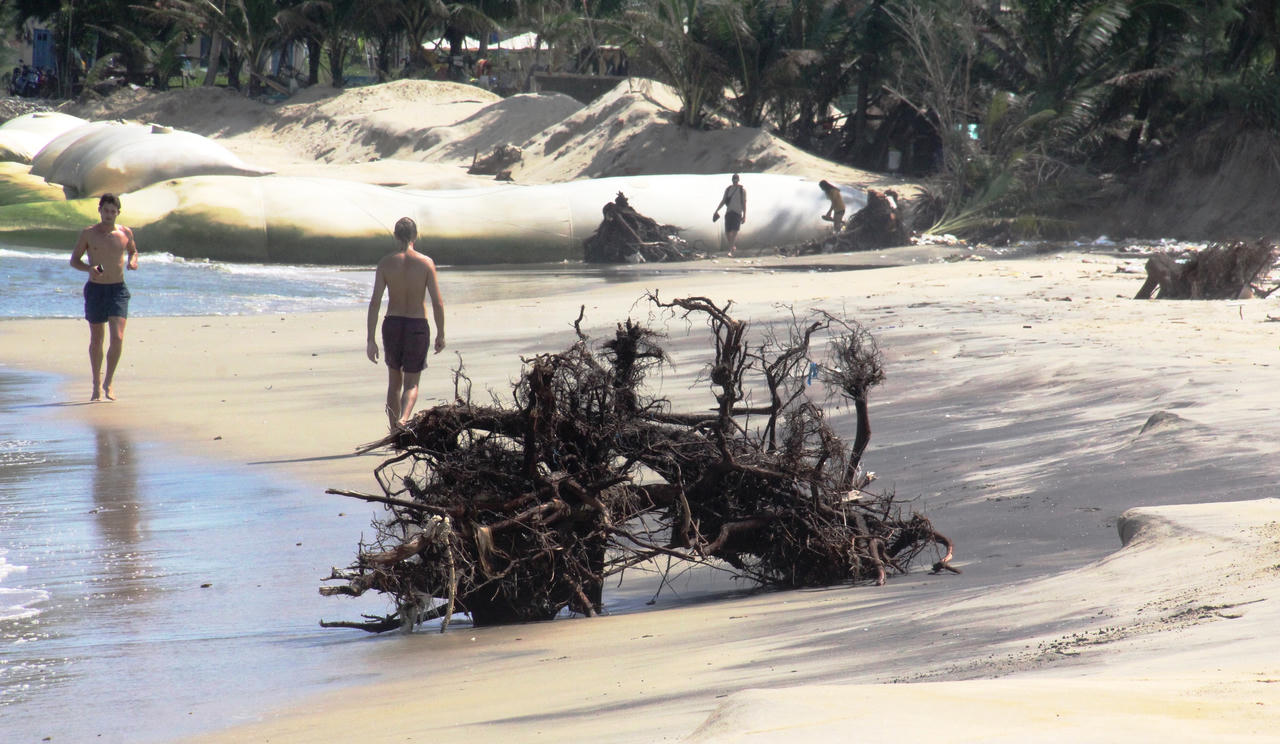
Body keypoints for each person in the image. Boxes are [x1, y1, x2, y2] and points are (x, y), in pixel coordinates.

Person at [367, 217, 446, 429]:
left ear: (395, 236)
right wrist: (441, 333)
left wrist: (370, 340)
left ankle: (394, 430)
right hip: (417, 325)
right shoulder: (426, 263)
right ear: (415, 236)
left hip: (392, 323)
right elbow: (437, 303)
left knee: (394, 382)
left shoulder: (385, 263)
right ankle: (404, 419)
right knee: (412, 382)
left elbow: (375, 303)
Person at [70, 193, 138, 401]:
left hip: (118, 290)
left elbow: (133, 251)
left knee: (117, 337)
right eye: (105, 210)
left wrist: (132, 261)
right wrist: (89, 268)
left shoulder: (125, 232)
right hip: (96, 289)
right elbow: (74, 260)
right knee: (97, 339)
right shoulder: (89, 233)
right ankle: (95, 384)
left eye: (113, 211)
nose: (109, 215)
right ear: (99, 210)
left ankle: (109, 381)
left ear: (118, 213)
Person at [712, 173, 747, 256]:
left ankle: (730, 250)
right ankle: (732, 246)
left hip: (737, 212)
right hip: (729, 212)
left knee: (734, 231)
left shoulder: (742, 190)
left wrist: (744, 215)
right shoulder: (728, 189)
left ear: (738, 180)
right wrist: (717, 210)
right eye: (734, 179)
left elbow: (744, 203)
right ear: (732, 180)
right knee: (727, 232)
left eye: (736, 179)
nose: (735, 181)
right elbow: (723, 201)